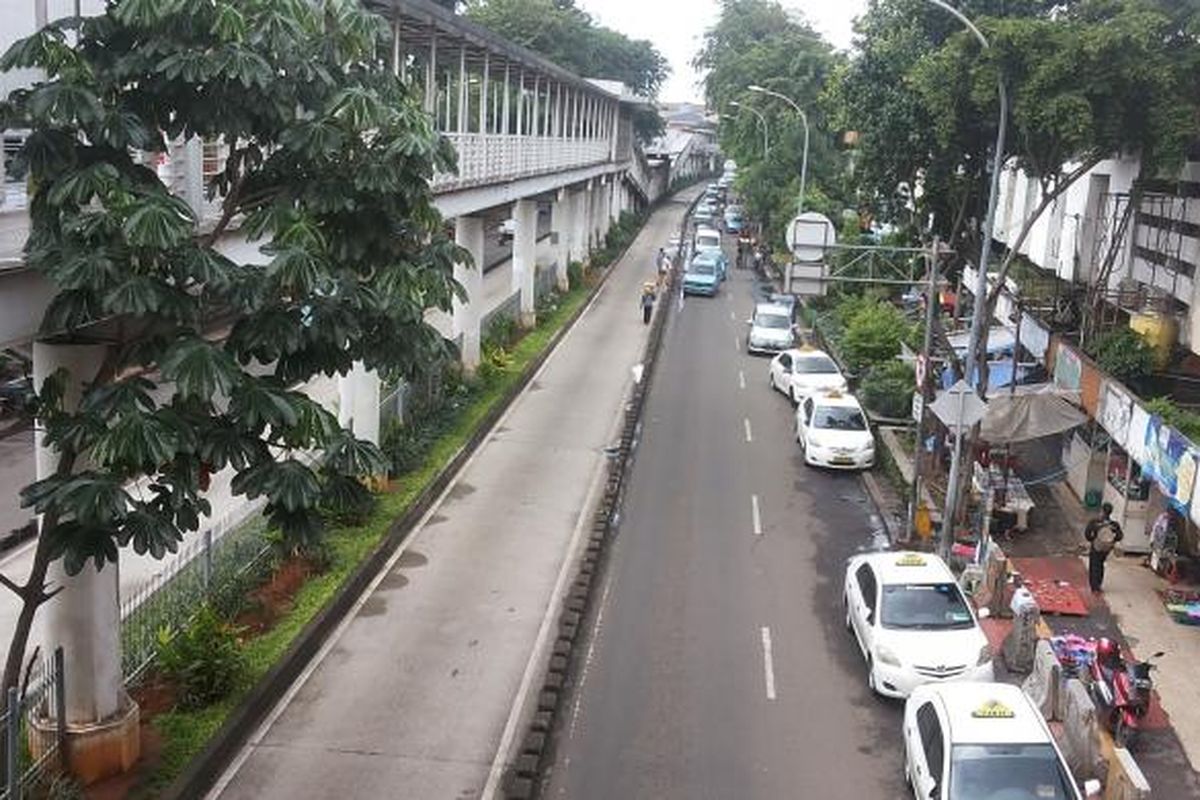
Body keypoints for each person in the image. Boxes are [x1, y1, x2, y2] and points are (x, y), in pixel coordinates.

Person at [1084, 502, 1123, 593]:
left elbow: (1087, 534)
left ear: (1102, 510)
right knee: (1101, 564)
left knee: (1094, 565)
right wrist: (1112, 540)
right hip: (1106, 549)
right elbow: (1120, 536)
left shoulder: (1095, 522)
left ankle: (1094, 587)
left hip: (1096, 546)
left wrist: (1093, 539)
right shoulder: (1114, 524)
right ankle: (1099, 584)